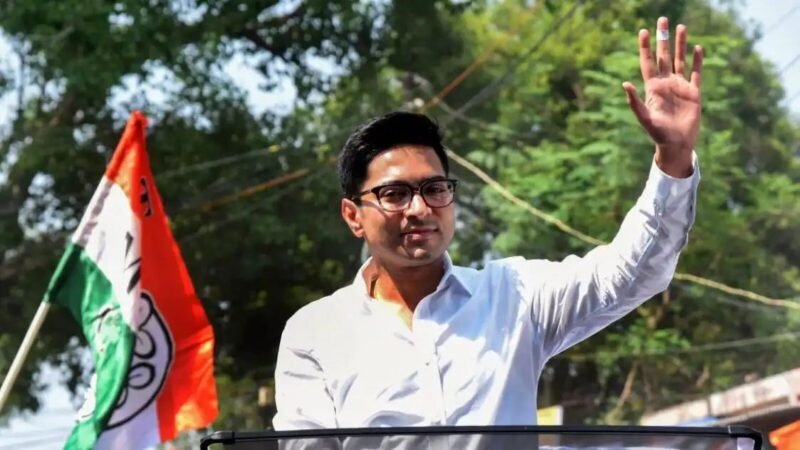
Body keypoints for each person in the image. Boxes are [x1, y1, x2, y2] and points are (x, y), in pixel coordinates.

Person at [273, 17, 703, 430]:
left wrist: (674, 157)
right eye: (395, 194)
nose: (419, 208)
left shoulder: (514, 298)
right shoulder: (316, 334)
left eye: (434, 189)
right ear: (353, 216)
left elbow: (631, 274)